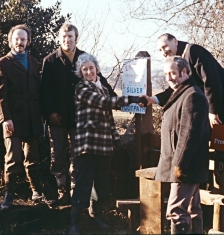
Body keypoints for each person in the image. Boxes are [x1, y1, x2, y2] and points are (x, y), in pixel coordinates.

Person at [69, 53, 147, 234]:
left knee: (102, 184)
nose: (88, 72)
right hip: (87, 144)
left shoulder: (102, 87)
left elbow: (109, 118)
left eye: (91, 68)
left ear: (97, 68)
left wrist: (117, 140)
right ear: (81, 72)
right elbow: (104, 103)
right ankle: (74, 223)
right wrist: (132, 99)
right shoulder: (81, 88)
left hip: (104, 145)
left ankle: (95, 217)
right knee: (83, 183)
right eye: (85, 69)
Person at [40, 23, 117, 206]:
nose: (67, 40)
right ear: (59, 38)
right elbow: (44, 91)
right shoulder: (50, 61)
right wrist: (50, 112)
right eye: (64, 37)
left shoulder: (84, 58)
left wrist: (113, 96)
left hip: (80, 120)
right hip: (57, 118)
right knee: (58, 155)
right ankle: (62, 192)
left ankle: (78, 193)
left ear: (76, 38)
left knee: (79, 157)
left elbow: (98, 79)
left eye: (71, 37)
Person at [155, 56, 210, 234]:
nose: (169, 77)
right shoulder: (182, 93)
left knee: (176, 211)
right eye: (166, 74)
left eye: (172, 73)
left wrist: (179, 164)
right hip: (185, 165)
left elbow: (189, 134)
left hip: (186, 166)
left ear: (185, 72)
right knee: (193, 209)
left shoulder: (193, 95)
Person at [0, 24, 45, 210]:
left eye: (23, 39)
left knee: (33, 158)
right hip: (12, 119)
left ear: (28, 41)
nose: (20, 42)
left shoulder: (34, 62)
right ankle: (8, 195)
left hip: (32, 119)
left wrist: (41, 117)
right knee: (13, 158)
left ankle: (37, 192)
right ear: (11, 41)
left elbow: (39, 92)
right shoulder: (2, 64)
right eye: (17, 39)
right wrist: (5, 119)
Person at [142, 33, 224, 127]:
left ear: (175, 41)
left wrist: (213, 111)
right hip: (209, 111)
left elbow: (211, 80)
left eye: (165, 46)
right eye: (160, 50)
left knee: (221, 144)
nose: (164, 52)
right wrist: (152, 99)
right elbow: (178, 89)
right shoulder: (180, 59)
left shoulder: (194, 51)